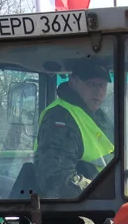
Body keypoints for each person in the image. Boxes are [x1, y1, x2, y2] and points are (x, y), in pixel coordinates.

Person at [33, 60, 116, 198]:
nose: (98, 90)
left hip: (108, 203)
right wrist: (102, 192)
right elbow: (56, 178)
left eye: (102, 85)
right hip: (82, 210)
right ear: (73, 83)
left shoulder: (97, 115)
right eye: (91, 84)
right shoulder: (60, 118)